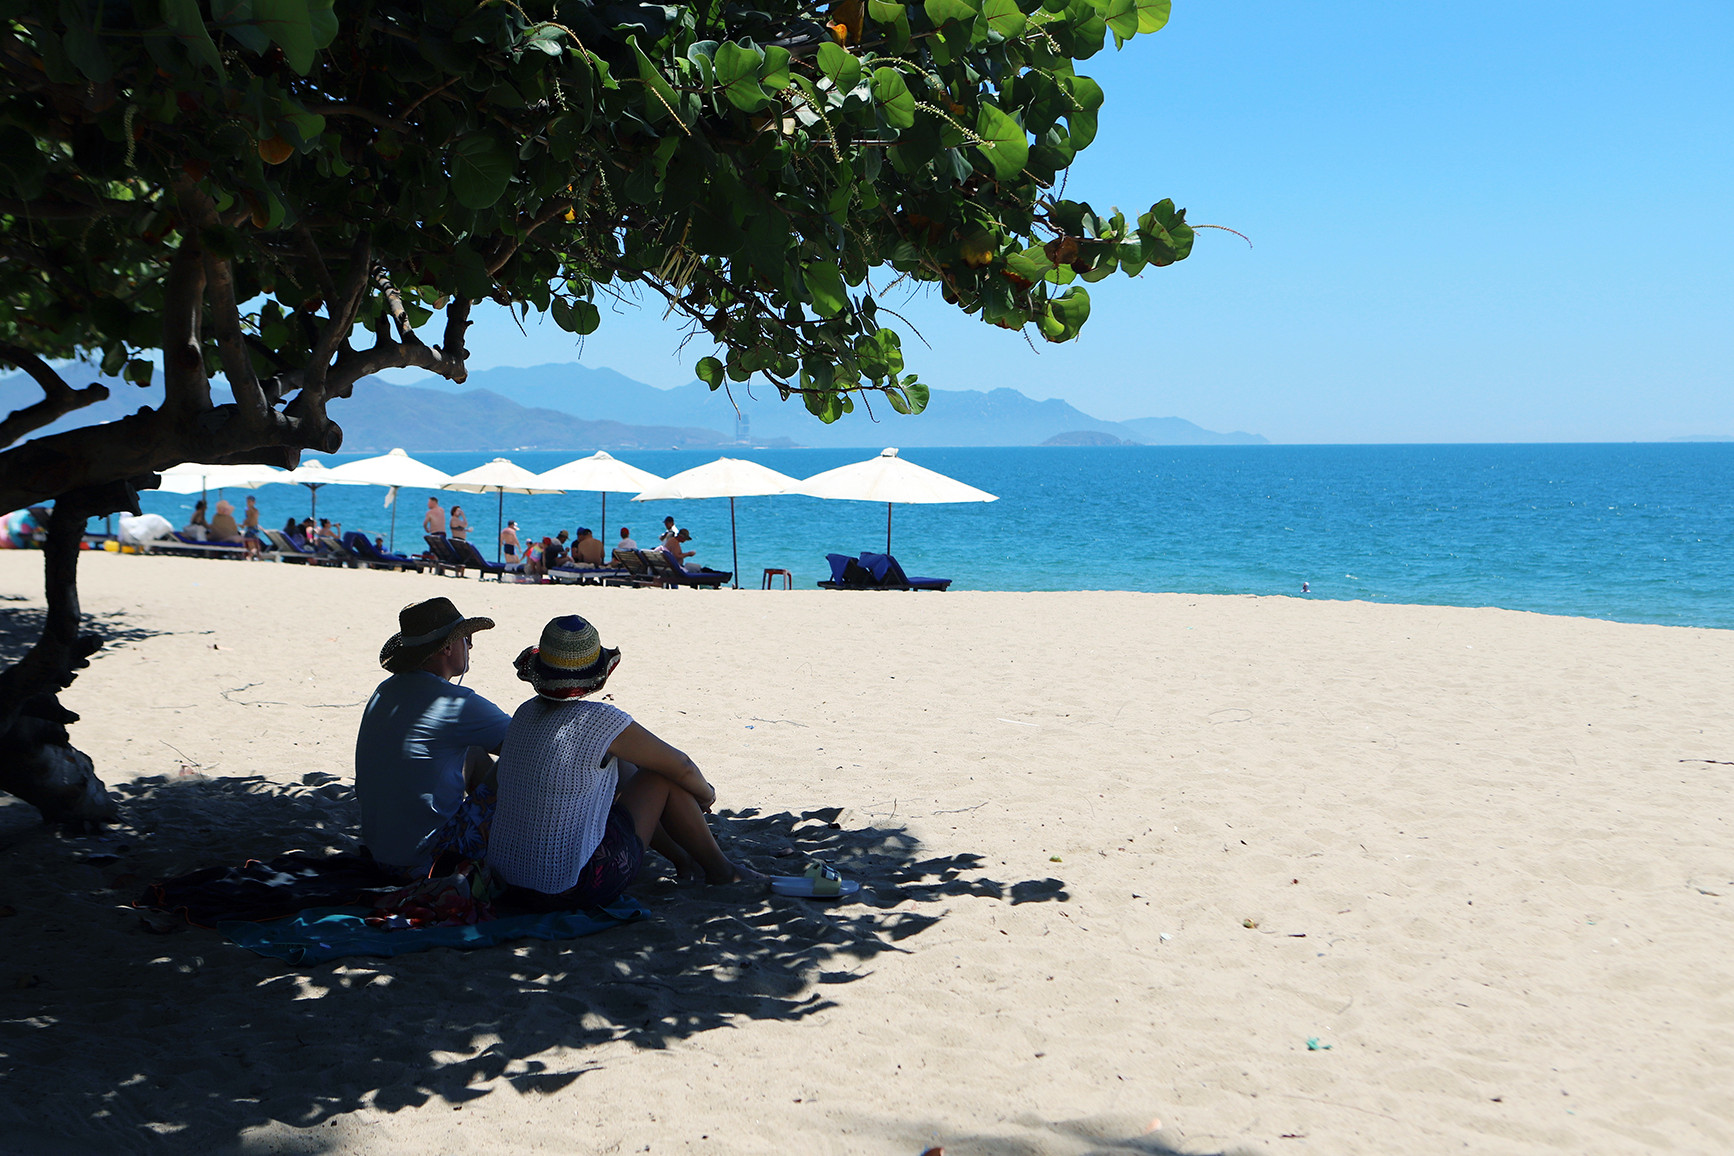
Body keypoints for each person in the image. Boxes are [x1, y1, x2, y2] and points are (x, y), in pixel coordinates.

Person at [487, 615, 759, 908]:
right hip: (571, 887)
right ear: (597, 674)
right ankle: (722, 870)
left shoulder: (523, 714)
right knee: (659, 778)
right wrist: (707, 794)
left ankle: (684, 859)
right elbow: (682, 766)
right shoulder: (600, 721)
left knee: (624, 769)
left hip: (507, 883)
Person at [354, 598, 511, 874]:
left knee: (472, 747)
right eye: (467, 639)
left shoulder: (386, 690)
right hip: (425, 861)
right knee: (516, 763)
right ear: (448, 647)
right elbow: (530, 744)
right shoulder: (456, 703)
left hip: (380, 850)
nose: (471, 646)